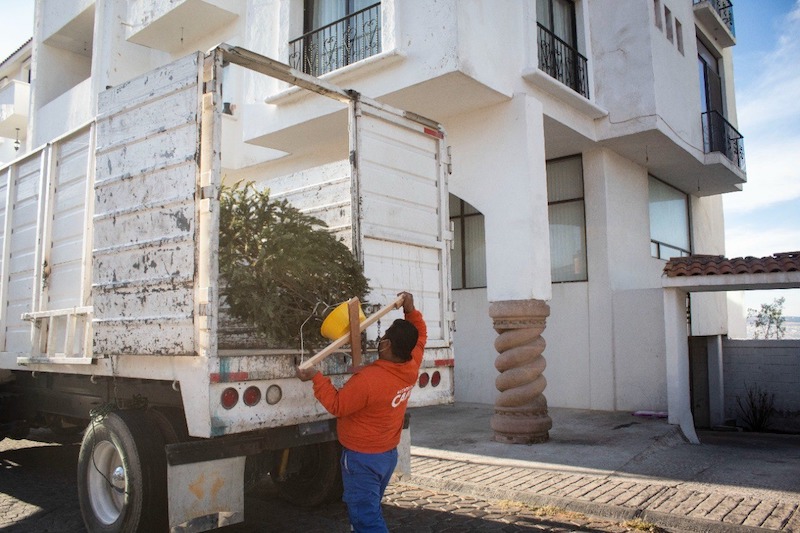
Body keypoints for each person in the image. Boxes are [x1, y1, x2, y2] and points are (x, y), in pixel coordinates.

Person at [295, 291, 426, 532]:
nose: (380, 340)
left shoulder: (368, 380)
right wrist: (411, 310)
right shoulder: (411, 364)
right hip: (386, 456)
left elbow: (337, 405)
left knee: (366, 520)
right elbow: (420, 336)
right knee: (368, 510)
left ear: (385, 345)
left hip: (362, 460)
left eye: (383, 337)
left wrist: (316, 377)